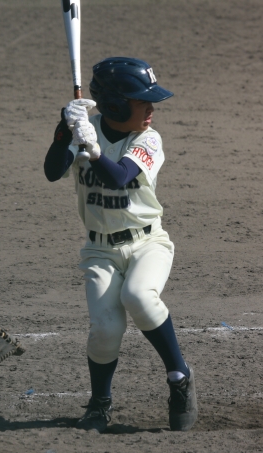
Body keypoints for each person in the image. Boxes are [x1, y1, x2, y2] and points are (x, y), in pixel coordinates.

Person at [44, 57, 198, 433]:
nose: (151, 109)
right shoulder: (85, 130)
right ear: (115, 105)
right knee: (106, 329)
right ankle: (99, 404)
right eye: (142, 101)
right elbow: (52, 171)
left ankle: (179, 376)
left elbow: (119, 177)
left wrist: (93, 149)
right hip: (99, 251)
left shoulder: (149, 138)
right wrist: (64, 129)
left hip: (148, 243)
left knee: (139, 296)